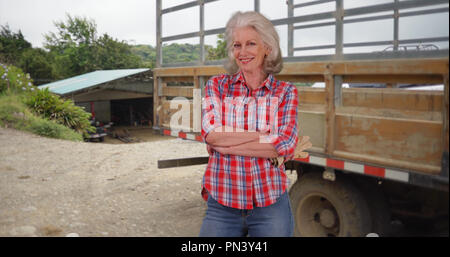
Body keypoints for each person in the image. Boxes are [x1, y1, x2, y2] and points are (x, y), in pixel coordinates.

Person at [199, 11, 312, 237]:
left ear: (267, 48)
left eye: (251, 43)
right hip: (222, 203)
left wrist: (226, 144)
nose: (242, 52)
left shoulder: (285, 92)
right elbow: (212, 134)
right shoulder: (218, 86)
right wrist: (262, 135)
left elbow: (285, 144)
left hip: (270, 203)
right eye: (236, 45)